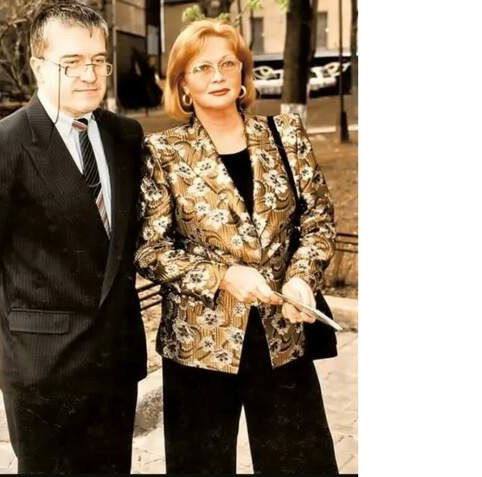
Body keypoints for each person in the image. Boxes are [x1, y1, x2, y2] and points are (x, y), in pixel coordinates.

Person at [136, 19, 339, 474]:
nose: (218, 76)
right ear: (182, 85)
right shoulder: (162, 153)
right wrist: (223, 276)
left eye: (228, 64)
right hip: (199, 345)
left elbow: (318, 221)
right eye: (202, 68)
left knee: (301, 465)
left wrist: (302, 278)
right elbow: (150, 250)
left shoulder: (285, 134)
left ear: (244, 73)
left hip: (282, 336)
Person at [0, 1, 147, 473]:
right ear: (39, 65)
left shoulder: (126, 136)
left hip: (115, 363)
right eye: (72, 62)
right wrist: (29, 319)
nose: (90, 74)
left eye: (99, 60)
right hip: (42, 369)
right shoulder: (1, 145)